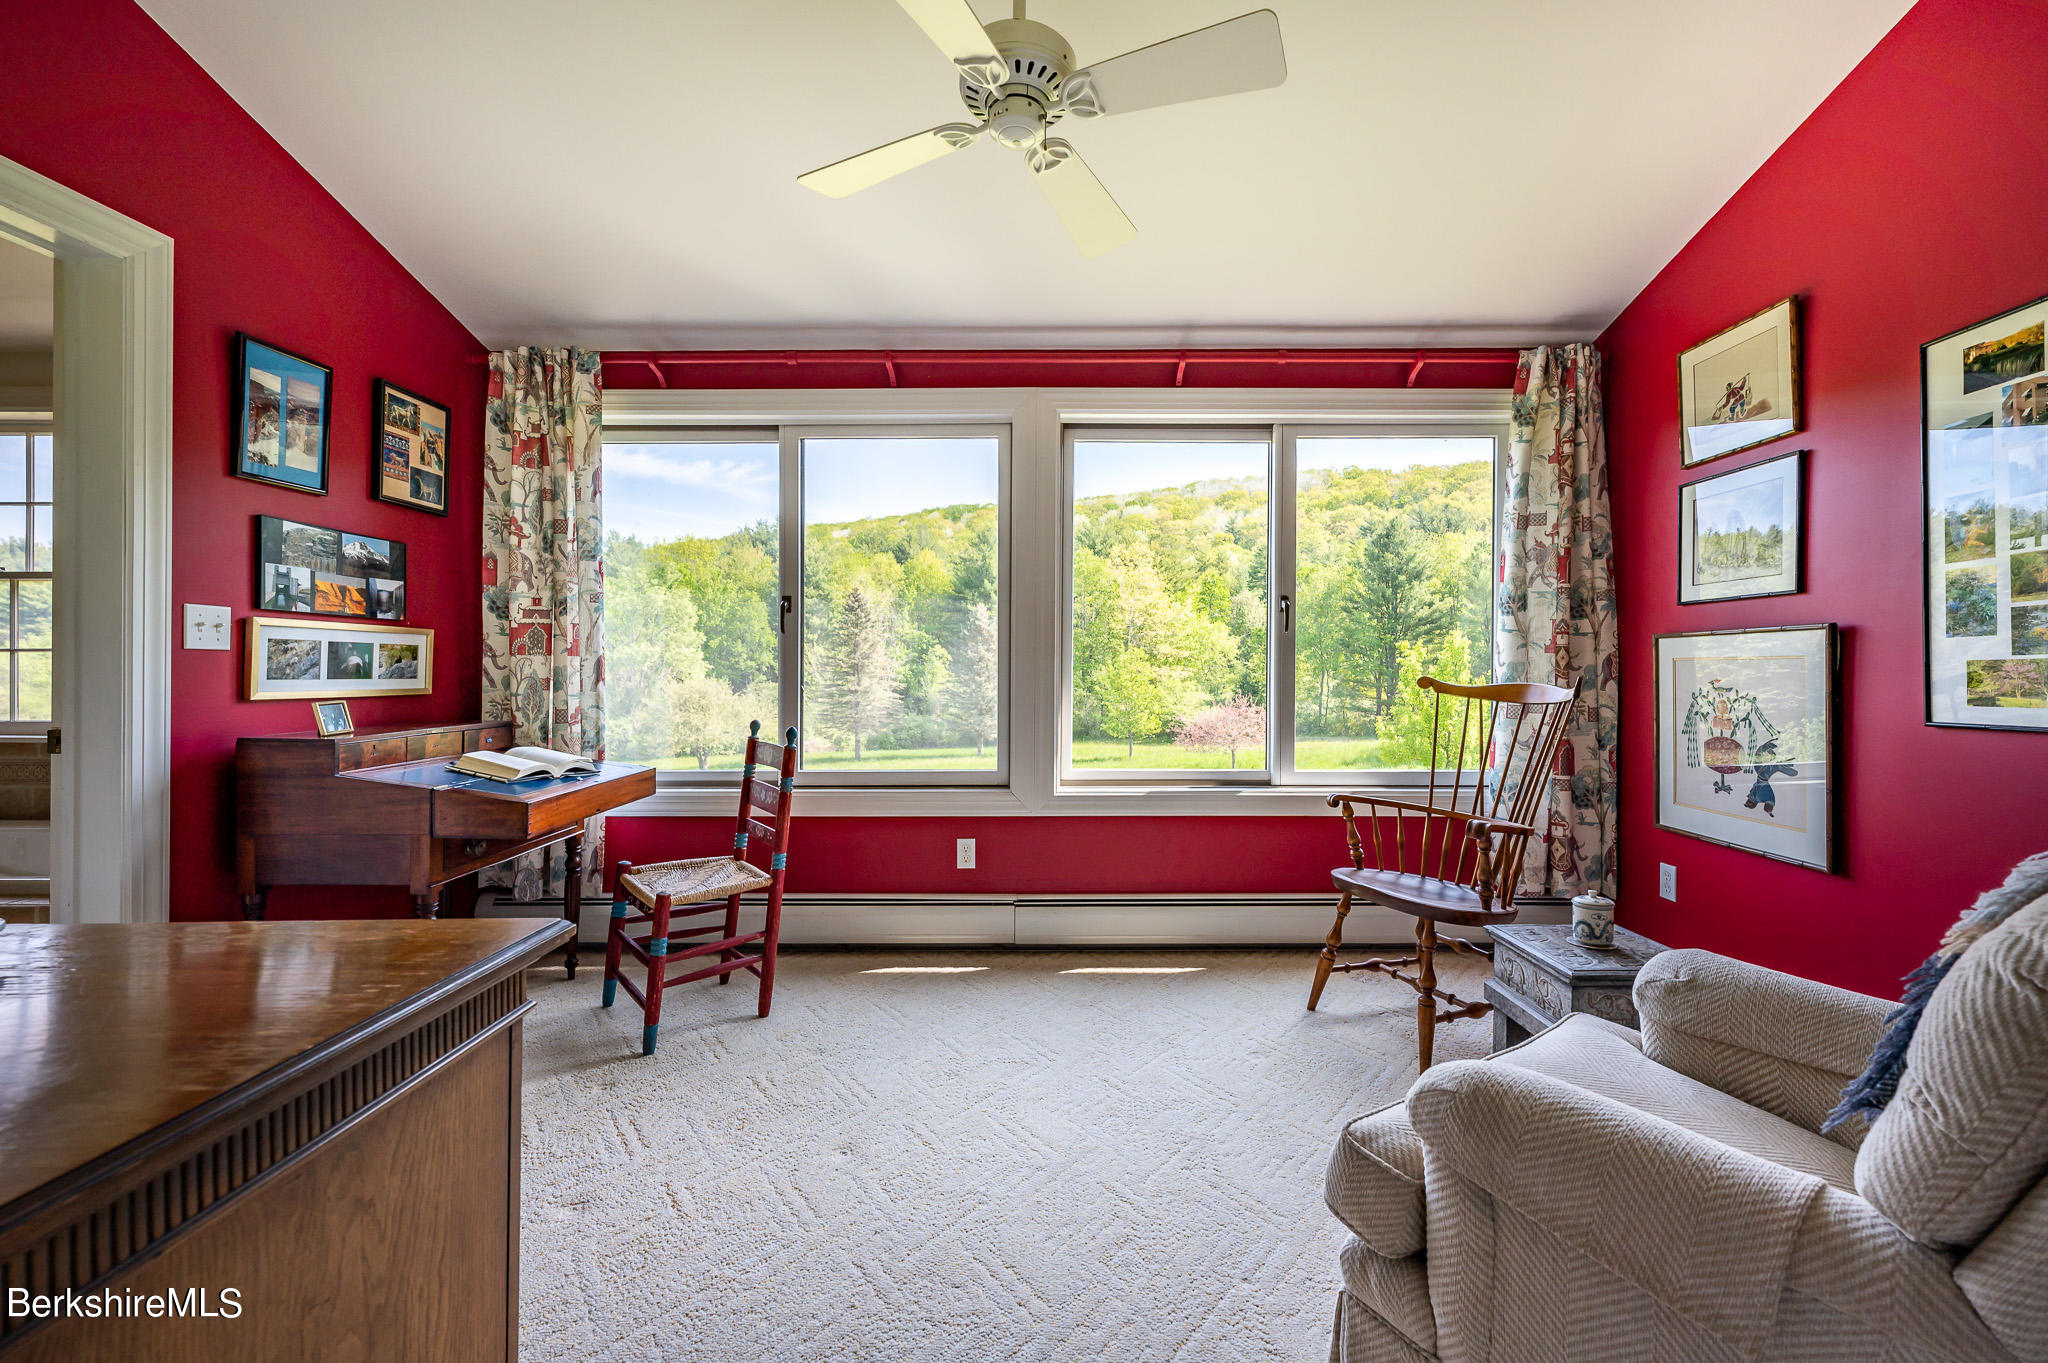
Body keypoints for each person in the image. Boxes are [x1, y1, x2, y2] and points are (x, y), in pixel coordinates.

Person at [1743, 740, 1799, 818]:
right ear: (1752, 802)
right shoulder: (1758, 798)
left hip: (1761, 777)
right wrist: (1769, 811)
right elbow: (1769, 803)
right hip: (1763, 778)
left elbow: (1768, 802)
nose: (1748, 798)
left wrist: (1769, 811)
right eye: (1748, 801)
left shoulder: (1757, 797)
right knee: (1764, 767)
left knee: (1757, 765)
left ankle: (1769, 754)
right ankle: (1779, 765)